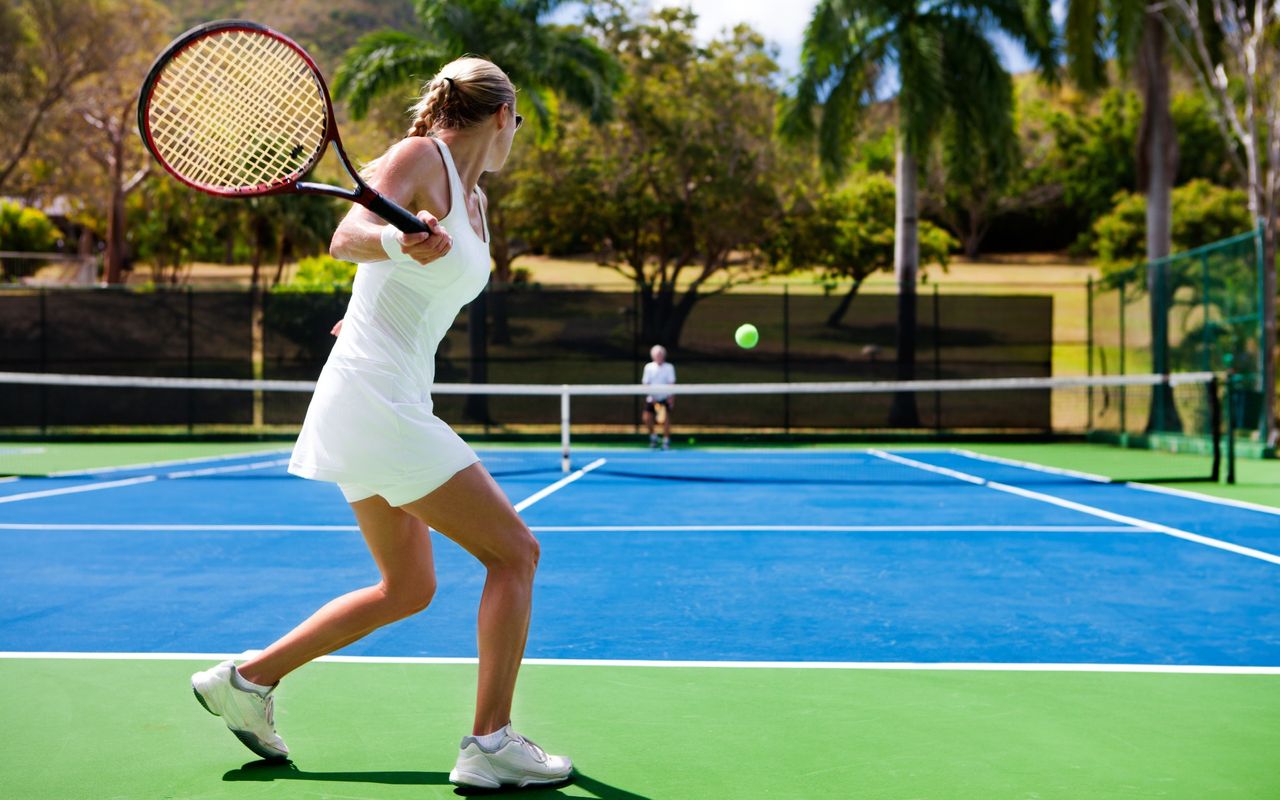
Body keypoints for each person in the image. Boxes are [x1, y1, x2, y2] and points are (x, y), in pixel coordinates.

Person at [189, 57, 573, 790]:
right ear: (501, 117)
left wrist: (367, 305)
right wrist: (399, 241)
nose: (515, 134)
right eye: (516, 123)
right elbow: (349, 237)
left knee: (407, 587)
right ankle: (490, 743)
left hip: (378, 392)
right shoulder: (417, 157)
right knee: (516, 554)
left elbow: (403, 290)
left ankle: (248, 679)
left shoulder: (476, 202)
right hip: (377, 399)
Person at [641, 344, 676, 450]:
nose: (659, 356)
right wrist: (651, 397)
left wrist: (671, 398)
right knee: (646, 418)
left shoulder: (669, 367)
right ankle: (653, 437)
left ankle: (666, 441)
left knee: (665, 420)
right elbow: (646, 383)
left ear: (664, 355)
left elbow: (671, 383)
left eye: (661, 354)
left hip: (665, 398)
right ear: (653, 356)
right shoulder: (648, 367)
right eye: (657, 355)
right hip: (652, 398)